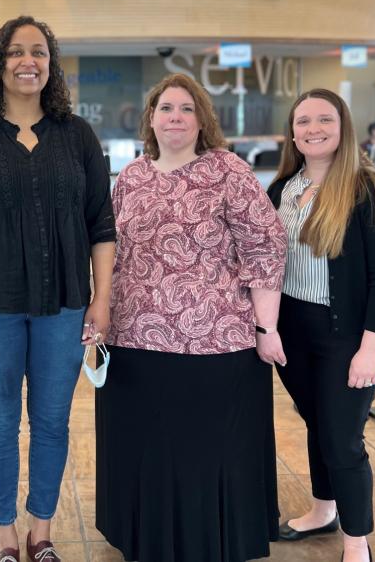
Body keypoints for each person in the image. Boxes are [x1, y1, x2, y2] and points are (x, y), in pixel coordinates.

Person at [0, 16, 116, 562]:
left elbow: (101, 225)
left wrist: (101, 299)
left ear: (51, 63)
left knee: (53, 420)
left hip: (64, 306)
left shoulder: (77, 135)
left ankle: (42, 531)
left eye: (38, 51)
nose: (27, 61)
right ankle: (6, 535)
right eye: (15, 52)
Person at [96, 73, 287, 562]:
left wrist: (267, 328)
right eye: (165, 108)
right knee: (148, 451)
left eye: (185, 108)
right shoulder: (132, 176)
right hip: (134, 340)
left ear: (202, 119)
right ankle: (147, 539)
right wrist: (97, 317)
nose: (175, 117)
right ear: (151, 119)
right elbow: (110, 253)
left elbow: (265, 247)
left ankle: (211, 543)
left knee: (206, 453)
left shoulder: (228, 171)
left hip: (216, 343)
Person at [267, 89, 375, 562]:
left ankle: (356, 542)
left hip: (346, 334)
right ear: (293, 132)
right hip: (293, 332)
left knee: (343, 438)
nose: (313, 129)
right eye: (303, 121)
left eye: (325, 119)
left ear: (343, 126)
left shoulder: (369, 188)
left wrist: (371, 349)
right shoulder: (282, 188)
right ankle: (325, 509)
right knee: (316, 423)